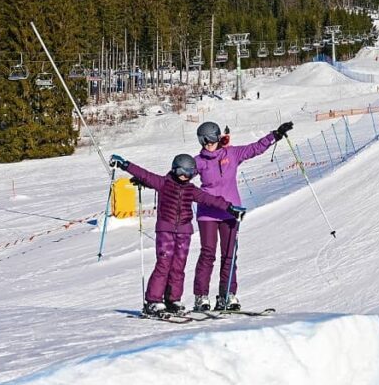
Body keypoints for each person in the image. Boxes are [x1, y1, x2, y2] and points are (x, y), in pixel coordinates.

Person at [109, 153, 242, 317]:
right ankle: (153, 300)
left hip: (184, 231)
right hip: (166, 229)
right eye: (181, 172)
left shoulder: (191, 189)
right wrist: (124, 164)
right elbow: (144, 174)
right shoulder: (163, 183)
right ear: (174, 169)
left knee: (179, 266)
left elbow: (210, 199)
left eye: (189, 173)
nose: (185, 176)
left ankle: (173, 300)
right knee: (164, 264)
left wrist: (230, 208)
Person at [192, 120, 293, 311]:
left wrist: (275, 135)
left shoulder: (232, 153)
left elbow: (255, 148)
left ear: (217, 137)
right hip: (207, 214)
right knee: (208, 254)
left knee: (229, 255)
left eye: (211, 139)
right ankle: (201, 297)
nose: (208, 144)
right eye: (203, 141)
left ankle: (227, 295)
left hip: (231, 212)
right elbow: (179, 175)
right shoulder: (198, 161)